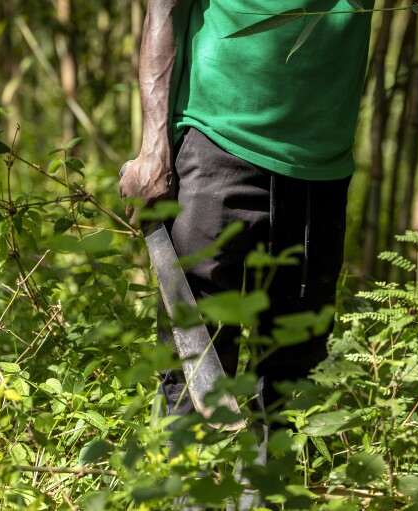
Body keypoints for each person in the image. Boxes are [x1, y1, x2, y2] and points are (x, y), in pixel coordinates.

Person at [119, 0, 375, 421]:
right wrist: (153, 147)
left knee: (292, 382)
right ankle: (187, 484)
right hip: (216, 141)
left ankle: (265, 486)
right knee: (195, 373)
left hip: (321, 165)